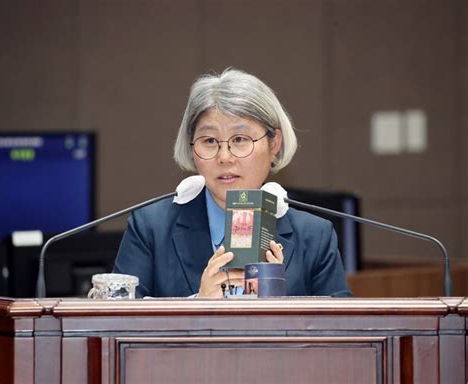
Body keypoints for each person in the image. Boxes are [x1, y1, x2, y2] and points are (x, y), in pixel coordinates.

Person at [113, 68, 351, 298]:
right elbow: (117, 328)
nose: (224, 157)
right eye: (209, 140)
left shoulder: (315, 236)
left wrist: (280, 312)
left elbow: (343, 333)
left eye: (239, 139)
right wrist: (197, 307)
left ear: (274, 144)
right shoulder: (150, 229)